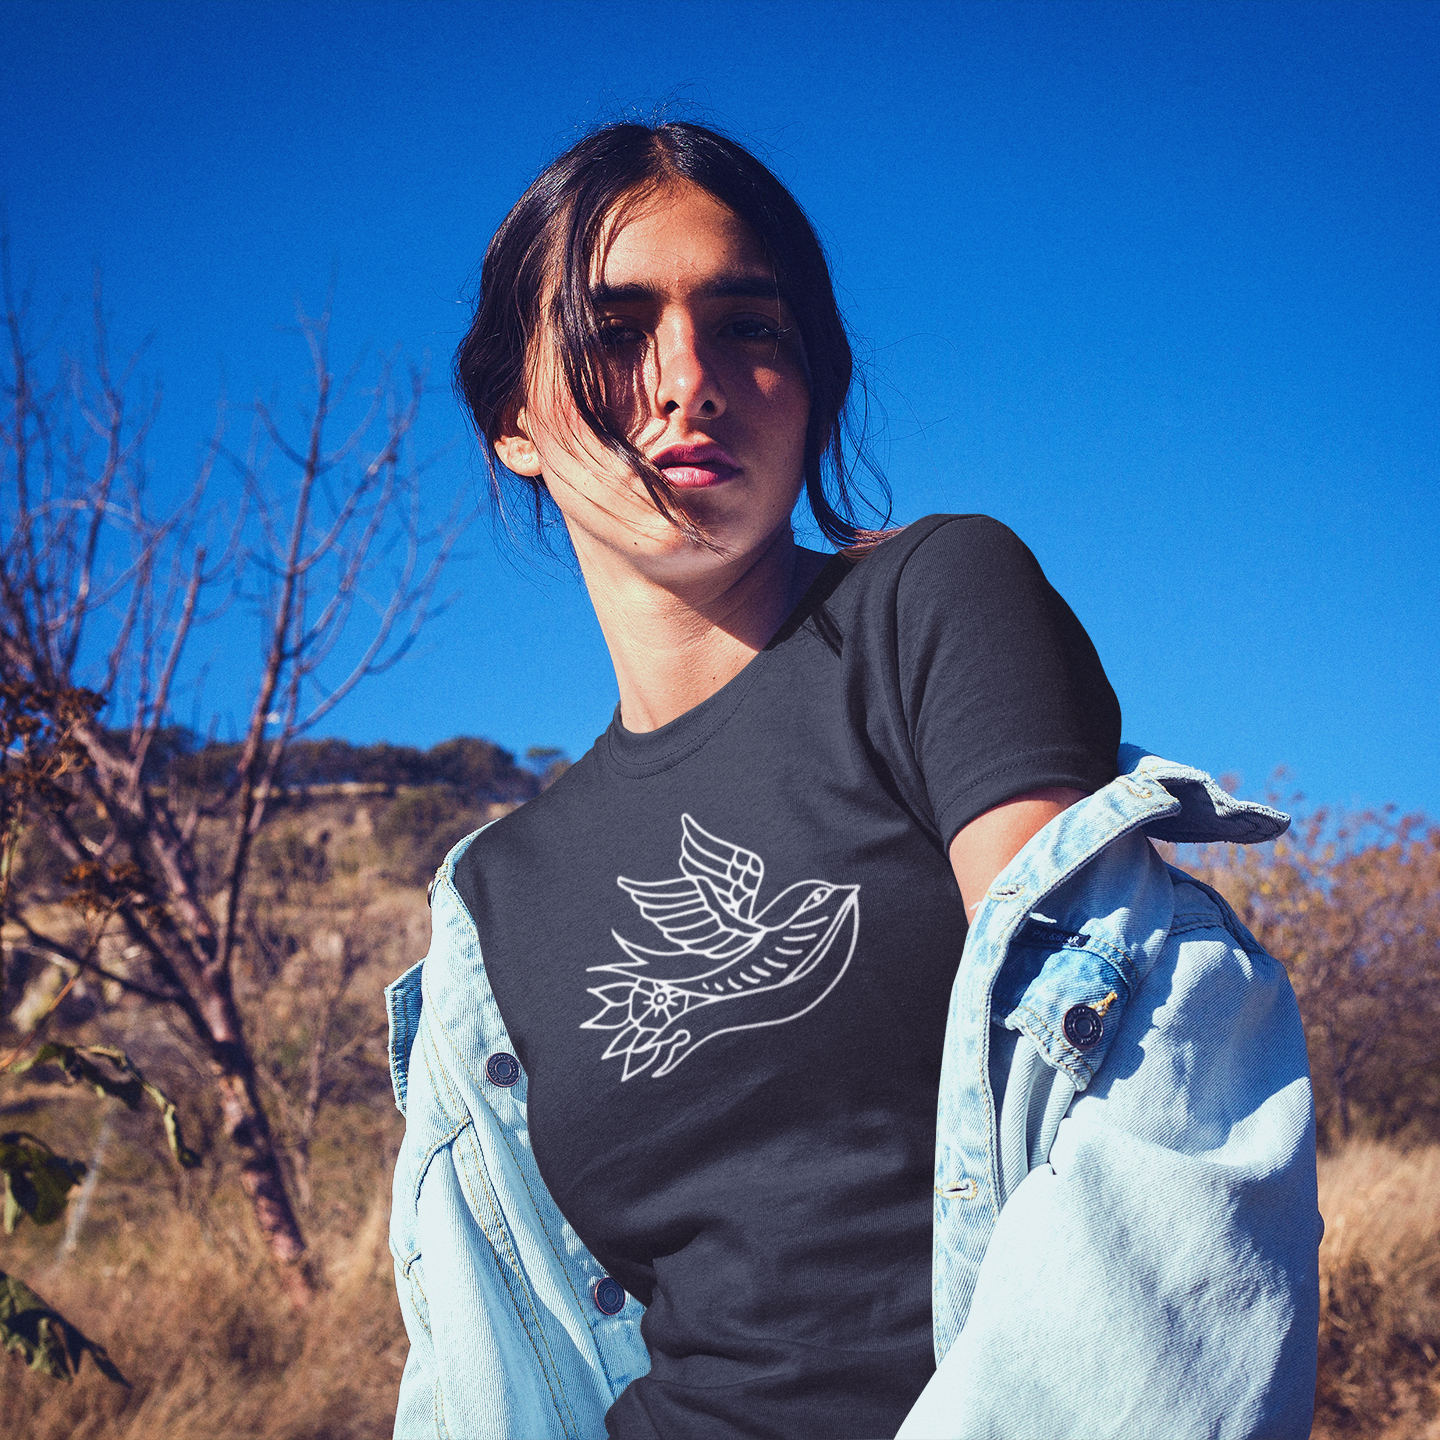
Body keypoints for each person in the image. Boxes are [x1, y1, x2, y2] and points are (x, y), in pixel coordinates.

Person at [385, 120, 1320, 1440]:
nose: (688, 379)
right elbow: (479, 1376)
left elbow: (1126, 1087)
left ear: (813, 383)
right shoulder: (494, 894)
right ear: (512, 422)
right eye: (615, 328)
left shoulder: (931, 610)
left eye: (748, 326)